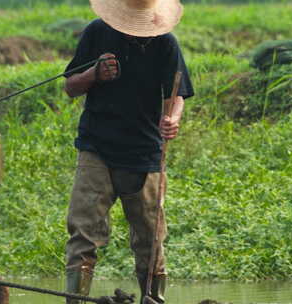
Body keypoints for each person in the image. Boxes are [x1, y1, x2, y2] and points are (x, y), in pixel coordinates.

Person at [62, 0, 194, 303]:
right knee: (82, 232)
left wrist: (172, 119)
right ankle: (75, 300)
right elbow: (71, 86)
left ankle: (154, 298)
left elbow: (177, 93)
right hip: (97, 148)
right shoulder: (97, 32)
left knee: (151, 237)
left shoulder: (165, 43)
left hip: (145, 151)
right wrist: (93, 74)